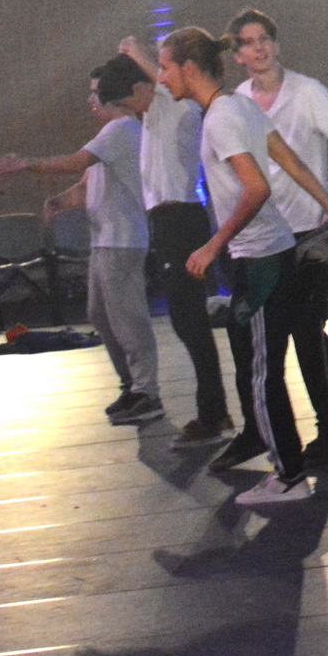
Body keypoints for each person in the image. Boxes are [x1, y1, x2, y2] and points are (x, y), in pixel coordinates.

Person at [158, 27, 328, 506]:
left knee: (261, 374)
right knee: (255, 366)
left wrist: (212, 244)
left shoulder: (222, 118)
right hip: (272, 255)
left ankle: (288, 476)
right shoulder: (239, 106)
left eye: (165, 67)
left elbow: (257, 187)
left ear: (189, 69)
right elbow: (290, 160)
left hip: (259, 260)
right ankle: (280, 458)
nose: (161, 78)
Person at [226, 9, 328, 472]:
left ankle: (326, 434)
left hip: (306, 233)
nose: (259, 48)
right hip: (261, 239)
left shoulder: (307, 91)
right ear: (237, 55)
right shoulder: (238, 101)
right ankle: (261, 432)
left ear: (277, 43)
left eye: (265, 38)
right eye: (249, 42)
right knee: (257, 343)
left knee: (308, 335)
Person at [0, 55, 161, 425]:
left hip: (123, 240)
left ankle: (146, 391)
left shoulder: (122, 129)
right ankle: (132, 385)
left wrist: (27, 164)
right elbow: (87, 185)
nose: (90, 98)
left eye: (96, 91)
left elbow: (76, 163)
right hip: (106, 241)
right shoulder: (109, 135)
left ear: (113, 94)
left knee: (127, 319)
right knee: (100, 315)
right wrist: (59, 202)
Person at [120, 36, 234, 446]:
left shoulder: (177, 105)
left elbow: (161, 80)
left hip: (180, 218)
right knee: (186, 321)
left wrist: (135, 52)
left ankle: (214, 415)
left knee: (191, 322)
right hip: (167, 221)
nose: (163, 76)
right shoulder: (153, 116)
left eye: (167, 70)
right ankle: (215, 412)